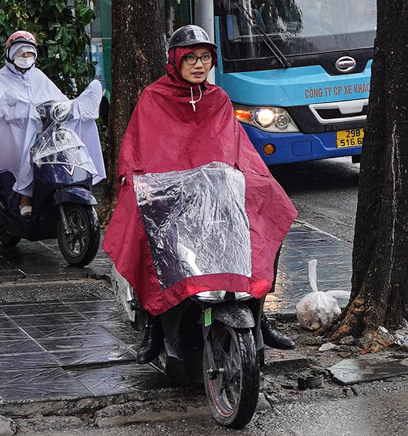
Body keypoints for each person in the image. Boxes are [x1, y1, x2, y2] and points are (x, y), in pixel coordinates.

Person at [102, 24, 298, 364]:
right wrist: (135, 183)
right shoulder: (153, 98)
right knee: (144, 231)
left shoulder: (219, 99)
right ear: (175, 59)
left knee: (272, 208)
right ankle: (155, 326)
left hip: (216, 196)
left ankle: (259, 310)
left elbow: (237, 149)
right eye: (190, 57)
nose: (198, 64)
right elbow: (137, 149)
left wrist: (254, 181)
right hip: (170, 199)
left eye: (205, 57)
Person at [0, 31, 105, 217]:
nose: (25, 57)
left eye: (29, 53)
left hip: (44, 129)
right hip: (13, 131)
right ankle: (25, 196)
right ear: (10, 54)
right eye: (21, 53)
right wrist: (26, 111)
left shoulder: (38, 75)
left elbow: (57, 99)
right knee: (28, 146)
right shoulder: (1, 78)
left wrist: (69, 108)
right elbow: (6, 105)